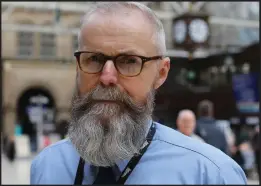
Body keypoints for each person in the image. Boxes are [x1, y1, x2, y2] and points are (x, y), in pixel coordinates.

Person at [30, 2, 247, 184]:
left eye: (129, 61)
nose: (107, 77)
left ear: (161, 73)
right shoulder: (48, 166)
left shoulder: (210, 175)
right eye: (94, 59)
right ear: (78, 66)